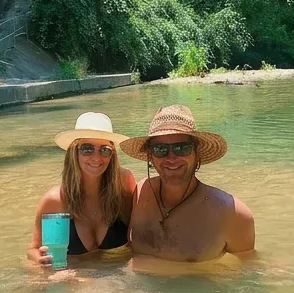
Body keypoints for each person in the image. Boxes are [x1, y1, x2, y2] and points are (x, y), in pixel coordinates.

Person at [121, 105, 254, 262]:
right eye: (160, 149)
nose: (171, 158)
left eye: (181, 148)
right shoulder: (140, 194)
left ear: (197, 153)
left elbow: (248, 271)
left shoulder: (233, 214)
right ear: (150, 155)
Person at [28, 112, 137, 266]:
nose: (96, 157)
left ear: (112, 154)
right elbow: (33, 249)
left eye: (104, 150)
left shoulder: (123, 184)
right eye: (87, 149)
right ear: (74, 152)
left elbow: (139, 235)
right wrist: (40, 260)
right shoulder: (55, 200)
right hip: (75, 278)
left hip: (118, 277)